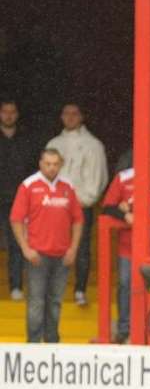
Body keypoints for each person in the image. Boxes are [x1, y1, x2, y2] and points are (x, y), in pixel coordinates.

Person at [9, 148, 83, 342]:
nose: (51, 168)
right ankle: (33, 346)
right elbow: (16, 219)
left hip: (62, 256)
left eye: (55, 164)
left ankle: (52, 345)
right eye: (47, 164)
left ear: (61, 165)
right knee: (36, 303)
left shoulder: (68, 186)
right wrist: (25, 248)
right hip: (37, 256)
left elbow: (78, 220)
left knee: (55, 302)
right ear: (40, 164)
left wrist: (73, 249)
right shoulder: (28, 185)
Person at [101, 151, 150, 343]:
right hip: (127, 244)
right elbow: (108, 206)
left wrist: (129, 209)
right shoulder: (123, 177)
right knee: (125, 285)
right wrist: (123, 214)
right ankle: (124, 329)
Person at [46, 102, 108, 306]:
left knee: (81, 249)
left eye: (75, 114)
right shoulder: (54, 143)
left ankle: (80, 289)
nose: (70, 117)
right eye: (66, 114)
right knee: (54, 247)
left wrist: (82, 201)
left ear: (82, 117)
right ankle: (55, 290)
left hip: (81, 206)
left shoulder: (94, 145)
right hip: (55, 206)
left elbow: (98, 178)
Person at [0, 99, 36, 301]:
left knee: (16, 245)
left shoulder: (26, 139)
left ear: (17, 114)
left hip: (18, 203)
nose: (8, 115)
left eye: (12, 112)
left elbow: (32, 172)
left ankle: (15, 287)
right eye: (5, 111)